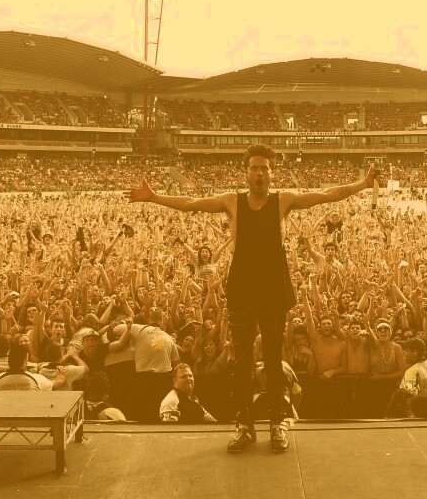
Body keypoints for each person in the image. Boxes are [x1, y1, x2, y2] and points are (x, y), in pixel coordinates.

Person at [130, 144, 378, 454]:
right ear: (246, 172)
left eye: (265, 168)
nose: (260, 173)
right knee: (242, 361)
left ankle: (276, 424)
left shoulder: (283, 200)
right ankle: (245, 426)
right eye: (254, 168)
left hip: (273, 287)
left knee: (274, 360)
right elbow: (191, 203)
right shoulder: (231, 201)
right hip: (243, 288)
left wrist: (363, 184)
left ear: (272, 173)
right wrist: (154, 197)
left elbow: (327, 195)